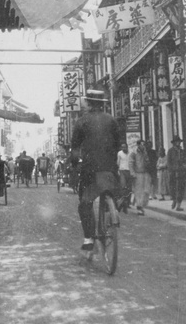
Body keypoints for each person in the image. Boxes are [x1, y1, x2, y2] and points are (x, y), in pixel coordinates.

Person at [71, 89, 120, 251]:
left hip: (90, 169)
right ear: (102, 104)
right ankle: (112, 212)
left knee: (85, 203)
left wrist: (74, 164)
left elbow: (75, 148)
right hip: (109, 169)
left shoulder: (82, 121)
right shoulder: (112, 120)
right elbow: (118, 144)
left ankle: (88, 238)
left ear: (89, 103)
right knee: (111, 191)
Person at [129, 139, 151, 215]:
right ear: (138, 145)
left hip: (145, 173)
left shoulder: (145, 152)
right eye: (142, 144)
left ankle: (142, 205)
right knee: (139, 191)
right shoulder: (133, 153)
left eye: (144, 144)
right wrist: (133, 173)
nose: (143, 146)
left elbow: (147, 162)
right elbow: (131, 164)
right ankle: (139, 207)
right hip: (137, 174)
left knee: (146, 191)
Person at [167, 135, 186, 211]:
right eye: (176, 142)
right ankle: (174, 200)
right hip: (173, 172)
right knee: (173, 187)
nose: (178, 143)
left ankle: (178, 205)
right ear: (174, 143)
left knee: (181, 188)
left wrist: (185, 165)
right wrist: (171, 170)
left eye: (179, 142)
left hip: (181, 172)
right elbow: (169, 162)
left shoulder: (182, 151)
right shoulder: (170, 151)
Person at [117, 142, 131, 213]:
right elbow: (118, 162)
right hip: (122, 171)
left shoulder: (130, 153)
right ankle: (122, 202)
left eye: (125, 147)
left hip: (129, 171)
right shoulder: (119, 153)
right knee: (123, 187)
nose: (123, 148)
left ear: (127, 147)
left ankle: (127, 203)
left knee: (129, 188)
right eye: (122, 147)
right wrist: (118, 171)